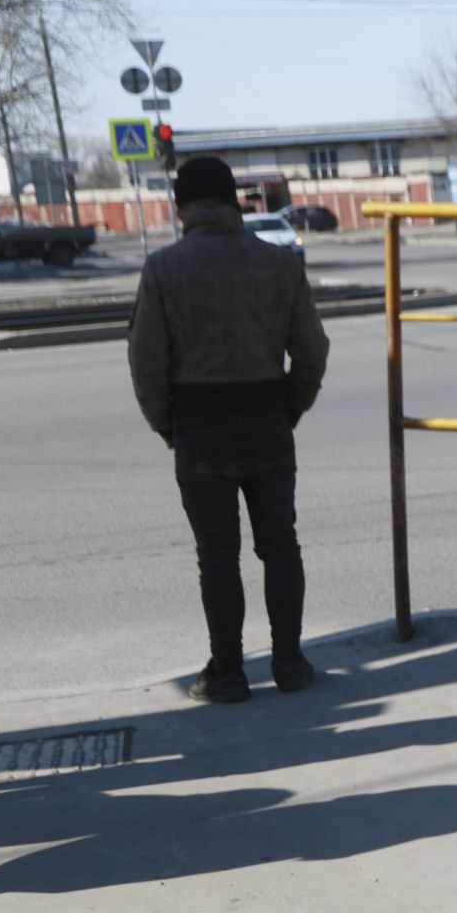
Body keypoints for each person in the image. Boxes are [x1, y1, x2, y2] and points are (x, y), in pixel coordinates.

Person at [128, 156, 329, 704]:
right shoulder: (279, 264)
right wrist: (288, 407)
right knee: (280, 545)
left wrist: (169, 426)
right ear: (234, 201)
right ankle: (289, 662)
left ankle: (229, 674)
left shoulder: (164, 270)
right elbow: (312, 349)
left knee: (216, 557)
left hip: (199, 427)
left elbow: (146, 365)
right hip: (267, 418)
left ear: (181, 207)